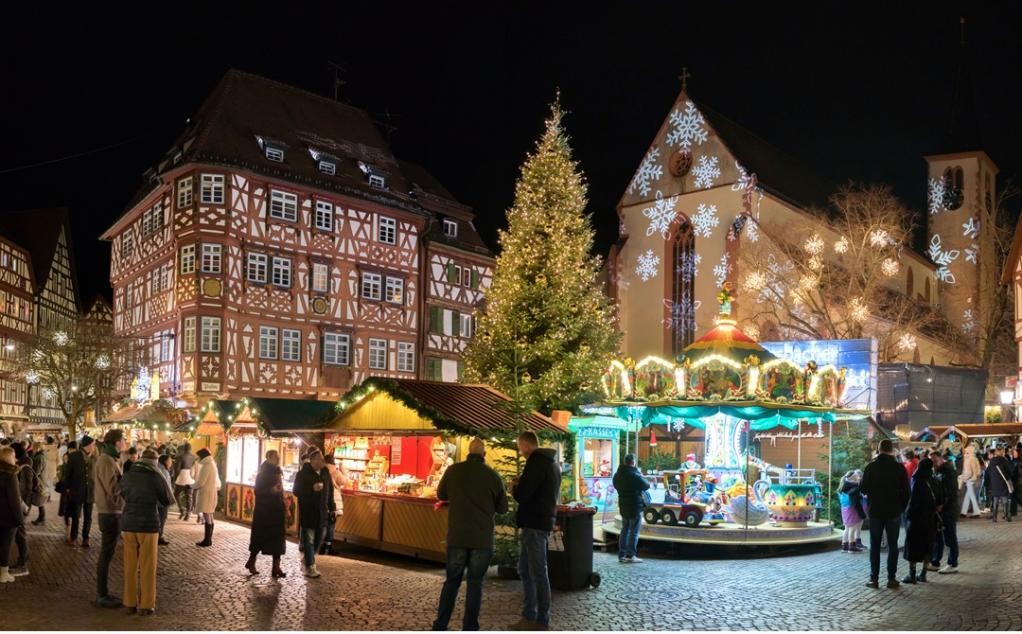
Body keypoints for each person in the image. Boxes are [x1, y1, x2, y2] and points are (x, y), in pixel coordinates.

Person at [431, 439, 508, 631]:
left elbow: (441, 494)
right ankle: (470, 626)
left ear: (468, 452)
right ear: (484, 454)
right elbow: (503, 508)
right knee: (475, 584)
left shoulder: (453, 471)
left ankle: (441, 625)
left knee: (452, 581)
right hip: (481, 539)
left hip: (457, 536)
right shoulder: (493, 476)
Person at [509, 431, 560, 631]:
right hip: (540, 522)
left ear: (526, 445)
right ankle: (530, 614)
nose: (520, 451)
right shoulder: (550, 463)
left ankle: (541, 618)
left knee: (538, 571)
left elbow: (524, 494)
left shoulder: (536, 463)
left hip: (534, 524)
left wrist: (515, 486)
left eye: (520, 446)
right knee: (525, 569)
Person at [120, 448, 171, 616]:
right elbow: (166, 500)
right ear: (155, 462)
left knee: (130, 565)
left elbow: (123, 494)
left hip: (128, 524)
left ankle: (129, 603)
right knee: (148, 565)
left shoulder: (128, 474)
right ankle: (146, 605)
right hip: (148, 524)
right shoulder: (156, 476)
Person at [860, 438, 910, 589]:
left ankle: (874, 579)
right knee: (893, 545)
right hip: (893, 511)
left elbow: (862, 489)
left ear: (879, 449)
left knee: (875, 545)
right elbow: (907, 492)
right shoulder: (899, 468)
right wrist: (901, 507)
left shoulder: (871, 467)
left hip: (875, 511)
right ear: (891, 450)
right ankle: (891, 579)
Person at [94, 429, 126, 608]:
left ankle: (103, 593)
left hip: (111, 511)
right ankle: (102, 594)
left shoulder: (109, 459)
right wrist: (126, 483)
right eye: (123, 440)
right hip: (110, 512)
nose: (125, 442)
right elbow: (113, 489)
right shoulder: (106, 460)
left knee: (107, 553)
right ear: (116, 442)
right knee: (106, 554)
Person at [246, 450, 287, 578]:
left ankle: (276, 567)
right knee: (259, 538)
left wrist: (282, 499)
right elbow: (258, 491)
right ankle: (251, 561)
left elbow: (280, 489)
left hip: (277, 510)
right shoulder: (262, 474)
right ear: (269, 457)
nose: (278, 459)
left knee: (278, 540)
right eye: (276, 457)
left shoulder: (277, 472)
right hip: (265, 511)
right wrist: (271, 490)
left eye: (278, 457)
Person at [293, 449, 333, 578]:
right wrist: (311, 489)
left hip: (322, 511)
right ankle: (311, 567)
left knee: (320, 537)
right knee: (309, 539)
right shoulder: (303, 474)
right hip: (308, 512)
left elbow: (330, 491)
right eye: (321, 459)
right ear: (313, 461)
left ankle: (308, 558)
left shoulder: (326, 473)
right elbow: (296, 491)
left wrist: (332, 507)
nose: (323, 461)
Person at [902, 458, 938, 584]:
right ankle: (923, 574)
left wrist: (907, 517)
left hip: (916, 520)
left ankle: (912, 575)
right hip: (930, 519)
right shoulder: (933, 480)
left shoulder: (917, 480)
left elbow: (913, 502)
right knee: (927, 546)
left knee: (913, 546)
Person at [612, 453, 650, 564]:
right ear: (633, 462)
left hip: (623, 505)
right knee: (634, 531)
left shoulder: (617, 475)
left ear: (625, 462)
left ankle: (621, 555)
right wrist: (640, 475)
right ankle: (631, 555)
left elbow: (615, 485)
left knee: (624, 529)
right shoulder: (634, 475)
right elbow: (646, 485)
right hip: (635, 506)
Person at [928, 451, 959, 574]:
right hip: (939, 510)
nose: (933, 464)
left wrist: (942, 505)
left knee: (950, 537)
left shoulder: (949, 472)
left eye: (935, 461)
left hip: (948, 510)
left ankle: (952, 563)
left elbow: (951, 493)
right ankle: (936, 561)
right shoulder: (937, 472)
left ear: (941, 459)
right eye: (932, 462)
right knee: (938, 537)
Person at [12, 442, 40, 577]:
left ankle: (23, 564)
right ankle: (21, 562)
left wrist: (23, 506)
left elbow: (26, 488)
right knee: (18, 534)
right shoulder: (22, 464)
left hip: (21, 505)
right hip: (20, 504)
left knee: (20, 534)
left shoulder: (24, 466)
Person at [64, 435, 96, 547]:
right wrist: (67, 488)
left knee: (88, 516)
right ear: (87, 445)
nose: (94, 446)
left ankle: (85, 538)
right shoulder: (74, 456)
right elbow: (68, 473)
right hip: (77, 489)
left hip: (90, 491)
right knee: (76, 515)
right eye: (93, 444)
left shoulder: (94, 457)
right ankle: (73, 537)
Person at [0, 446, 24, 583]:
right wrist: (20, 519)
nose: (15, 458)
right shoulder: (11, 475)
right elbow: (14, 500)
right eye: (13, 456)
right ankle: (3, 573)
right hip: (8, 517)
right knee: (6, 545)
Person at [192, 448, 221, 547]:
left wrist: (191, 486)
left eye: (198, 456)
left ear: (202, 456)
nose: (198, 458)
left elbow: (201, 482)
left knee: (207, 515)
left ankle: (207, 540)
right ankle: (208, 539)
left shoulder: (206, 466)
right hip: (211, 492)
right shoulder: (212, 464)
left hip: (206, 493)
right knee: (209, 515)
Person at [321, 453, 345, 555]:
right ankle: (328, 545)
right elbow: (344, 481)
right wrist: (344, 471)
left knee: (325, 524)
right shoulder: (335, 471)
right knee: (331, 524)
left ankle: (322, 544)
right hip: (333, 500)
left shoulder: (321, 470)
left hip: (323, 501)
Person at [839, 469, 866, 553]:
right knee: (852, 528)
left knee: (846, 528)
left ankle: (844, 546)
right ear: (854, 479)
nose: (859, 479)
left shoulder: (842, 487)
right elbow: (856, 503)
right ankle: (852, 547)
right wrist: (862, 514)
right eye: (857, 477)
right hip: (852, 510)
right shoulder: (854, 488)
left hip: (844, 509)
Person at [986, 446, 1013, 522]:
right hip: (1003, 482)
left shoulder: (992, 461)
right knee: (1005, 499)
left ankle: (994, 518)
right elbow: (1009, 471)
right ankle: (1007, 516)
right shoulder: (1004, 460)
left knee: (995, 499)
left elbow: (988, 471)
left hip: (994, 483)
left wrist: (993, 478)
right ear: (1002, 452)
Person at [173, 443, 196, 521]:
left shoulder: (180, 457)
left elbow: (177, 469)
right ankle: (188, 514)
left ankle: (182, 510)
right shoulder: (194, 457)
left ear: (184, 449)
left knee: (176, 494)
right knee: (189, 496)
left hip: (182, 476)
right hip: (191, 478)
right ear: (191, 448)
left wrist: (175, 478)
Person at [959, 443, 982, 518]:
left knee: (971, 495)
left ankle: (976, 512)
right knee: (968, 496)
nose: (965, 452)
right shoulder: (973, 458)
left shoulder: (970, 458)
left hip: (970, 479)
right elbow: (976, 469)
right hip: (970, 478)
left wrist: (965, 477)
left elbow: (972, 470)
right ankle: (963, 512)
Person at [155, 455, 174, 545]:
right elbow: (166, 487)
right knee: (162, 518)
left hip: (157, 500)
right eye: (170, 460)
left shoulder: (157, 468)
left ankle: (157, 535)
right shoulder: (164, 471)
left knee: (158, 518)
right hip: (163, 500)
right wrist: (169, 499)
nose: (171, 462)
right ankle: (159, 536)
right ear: (165, 461)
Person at [30, 438, 49, 525]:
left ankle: (42, 519)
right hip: (41, 480)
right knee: (40, 502)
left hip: (39, 481)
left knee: (39, 501)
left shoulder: (39, 457)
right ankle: (41, 518)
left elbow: (36, 471)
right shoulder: (42, 456)